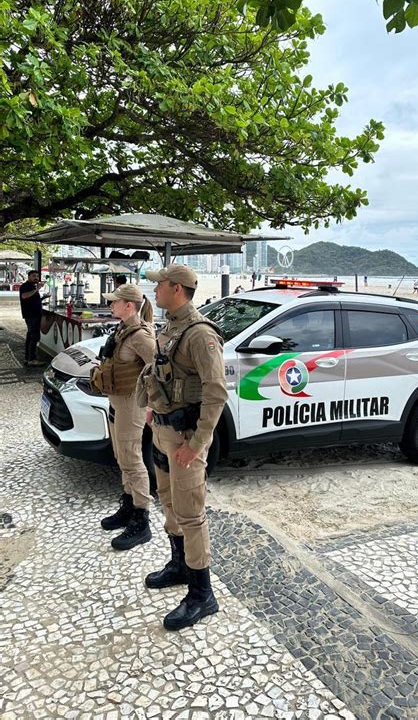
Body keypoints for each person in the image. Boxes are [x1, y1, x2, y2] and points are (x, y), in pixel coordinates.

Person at [136, 264, 227, 631]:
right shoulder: (170, 325)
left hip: (185, 438)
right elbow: (160, 372)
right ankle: (179, 564)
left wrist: (198, 443)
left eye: (159, 285)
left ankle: (202, 594)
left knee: (191, 514)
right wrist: (150, 408)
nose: (154, 290)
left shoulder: (199, 334)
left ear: (176, 288)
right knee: (170, 503)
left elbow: (216, 392)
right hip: (163, 431)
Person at [92, 284, 157, 550]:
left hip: (132, 403)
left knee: (132, 459)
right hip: (117, 401)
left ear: (129, 305)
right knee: (122, 457)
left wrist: (153, 404)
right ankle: (128, 505)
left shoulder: (140, 335)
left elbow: (159, 368)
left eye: (114, 302)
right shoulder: (123, 328)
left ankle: (141, 518)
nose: (111, 305)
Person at [19, 270, 49, 366]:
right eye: (33, 276)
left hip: (34, 314)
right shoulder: (25, 286)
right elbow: (24, 296)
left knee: (30, 336)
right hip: (31, 315)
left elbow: (32, 299)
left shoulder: (33, 287)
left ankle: (28, 358)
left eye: (37, 276)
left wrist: (43, 298)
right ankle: (32, 359)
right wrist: (37, 289)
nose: (36, 278)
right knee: (35, 336)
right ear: (28, 277)